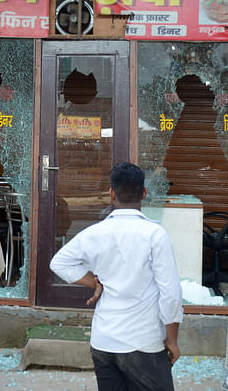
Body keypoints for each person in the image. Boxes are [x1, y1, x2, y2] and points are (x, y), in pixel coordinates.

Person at [50, 162, 183, 391]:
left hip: (104, 342)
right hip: (144, 343)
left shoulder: (95, 232)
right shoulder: (155, 234)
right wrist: (172, 339)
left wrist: (93, 281)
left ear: (111, 194)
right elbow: (170, 294)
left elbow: (59, 263)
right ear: (144, 193)